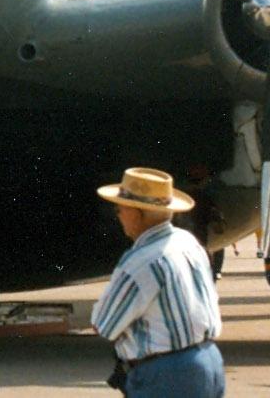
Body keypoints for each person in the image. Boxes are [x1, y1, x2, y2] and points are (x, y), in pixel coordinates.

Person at [91, 167, 224, 397]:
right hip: (208, 360)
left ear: (137, 213)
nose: (118, 214)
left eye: (121, 208)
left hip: (167, 374)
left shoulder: (141, 261)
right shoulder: (189, 243)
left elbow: (104, 325)